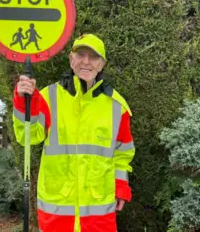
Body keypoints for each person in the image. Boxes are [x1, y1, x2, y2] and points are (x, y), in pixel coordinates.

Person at [12, 34, 135, 232]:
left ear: (102, 64)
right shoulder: (47, 97)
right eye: (80, 55)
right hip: (57, 208)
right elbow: (27, 137)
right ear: (71, 59)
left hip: (98, 212)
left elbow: (122, 154)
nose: (86, 61)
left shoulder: (116, 106)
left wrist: (121, 186)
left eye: (93, 57)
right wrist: (23, 102)